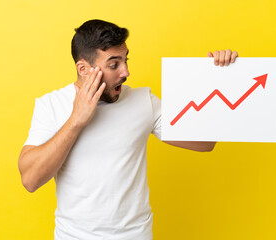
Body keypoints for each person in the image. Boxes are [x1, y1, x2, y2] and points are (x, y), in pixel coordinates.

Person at [18, 19, 238, 240]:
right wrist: (76, 120)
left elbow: (205, 143)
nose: (126, 72)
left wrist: (217, 78)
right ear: (83, 69)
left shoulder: (143, 101)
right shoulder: (52, 105)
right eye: (114, 64)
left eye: (125, 60)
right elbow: (30, 179)